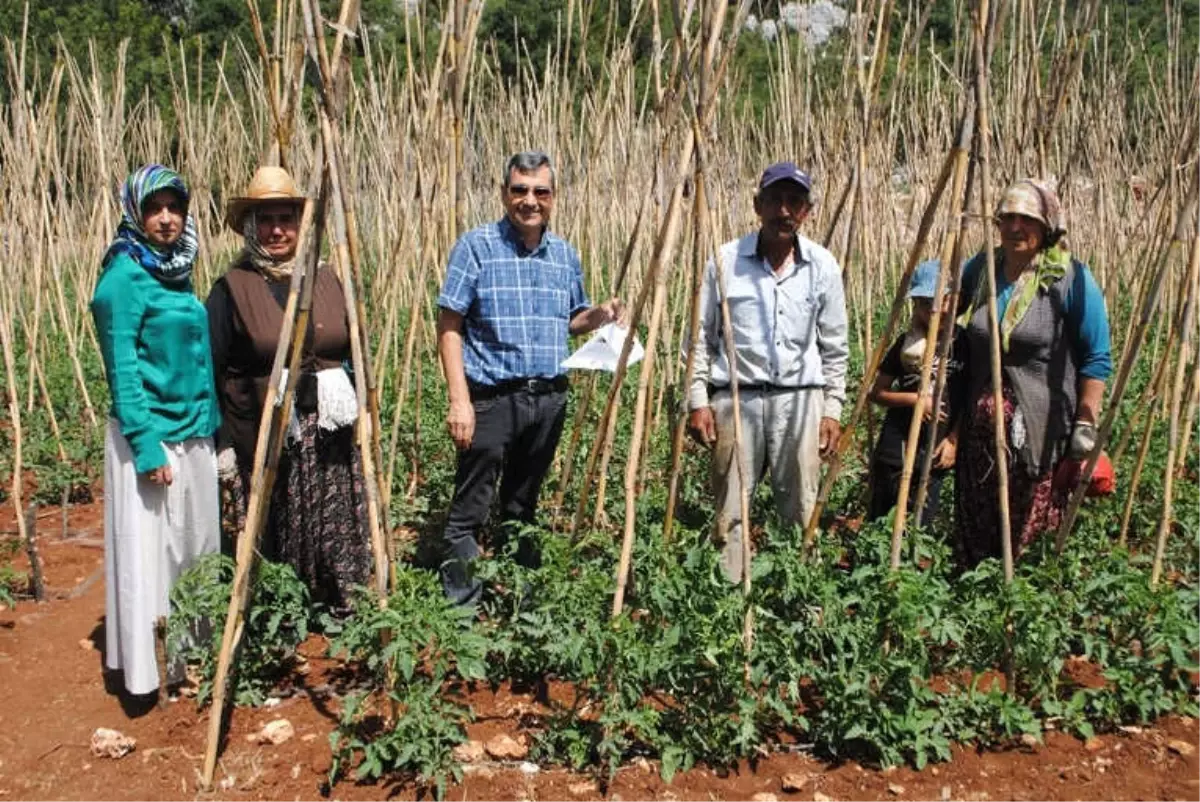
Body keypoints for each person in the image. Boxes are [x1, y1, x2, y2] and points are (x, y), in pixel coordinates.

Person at [436, 150, 624, 606]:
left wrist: (600, 314)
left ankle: (521, 604)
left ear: (553, 198)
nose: (529, 200)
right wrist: (459, 400)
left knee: (522, 504)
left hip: (548, 400)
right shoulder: (476, 246)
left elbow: (571, 319)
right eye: (519, 190)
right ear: (504, 193)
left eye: (540, 191)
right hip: (492, 399)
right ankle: (461, 614)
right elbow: (449, 325)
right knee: (471, 508)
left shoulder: (564, 254)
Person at [206, 165, 371, 607]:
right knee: (278, 525)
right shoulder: (232, 288)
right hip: (266, 432)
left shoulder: (327, 277)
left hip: (330, 430)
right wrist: (220, 441)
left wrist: (364, 408)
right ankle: (281, 612)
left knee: (332, 520)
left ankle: (337, 600)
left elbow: (354, 351)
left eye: (286, 219)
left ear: (301, 225)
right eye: (266, 220)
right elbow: (213, 370)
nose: (277, 230)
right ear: (250, 227)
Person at [90, 164, 221, 698]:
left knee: (194, 547)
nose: (166, 219)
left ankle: (190, 658)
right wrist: (145, 446)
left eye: (175, 207)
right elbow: (122, 368)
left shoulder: (176, 268)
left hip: (193, 431)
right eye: (154, 208)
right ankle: (152, 670)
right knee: (153, 554)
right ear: (135, 212)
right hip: (153, 438)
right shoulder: (123, 277)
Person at [686, 161, 848, 583]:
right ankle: (729, 597)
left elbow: (835, 347)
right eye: (775, 200)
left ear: (807, 211)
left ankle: (799, 599)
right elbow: (701, 337)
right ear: (758, 205)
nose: (784, 210)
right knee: (730, 508)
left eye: (794, 202)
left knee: (801, 507)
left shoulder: (823, 266)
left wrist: (832, 409)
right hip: (736, 399)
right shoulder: (725, 261)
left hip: (800, 400)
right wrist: (698, 401)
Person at [955, 179, 1112, 565]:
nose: (1013, 227)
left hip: (1040, 433)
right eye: (1006, 218)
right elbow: (950, 325)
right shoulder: (981, 269)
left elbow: (1096, 357)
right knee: (978, 521)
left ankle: (1023, 602)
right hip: (979, 438)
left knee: (1030, 529)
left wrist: (1085, 423)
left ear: (1046, 225)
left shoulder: (1070, 277)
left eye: (1025, 219)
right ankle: (975, 597)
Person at [866, 259, 967, 527]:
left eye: (943, 301)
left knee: (920, 523)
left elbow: (971, 399)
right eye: (925, 304)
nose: (935, 311)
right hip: (896, 447)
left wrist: (954, 441)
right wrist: (915, 400)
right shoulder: (907, 344)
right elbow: (877, 393)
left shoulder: (966, 344)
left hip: (935, 451)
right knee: (881, 520)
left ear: (956, 300)